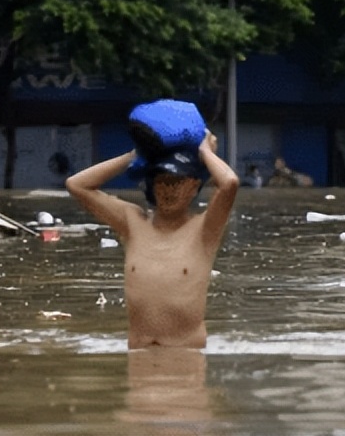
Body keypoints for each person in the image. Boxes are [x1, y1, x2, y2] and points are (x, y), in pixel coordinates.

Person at [65, 130, 238, 349]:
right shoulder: (132, 223)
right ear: (151, 185)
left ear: (194, 186)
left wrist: (204, 151)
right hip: (139, 353)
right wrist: (133, 156)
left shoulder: (204, 229)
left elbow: (229, 183)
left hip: (186, 354)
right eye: (161, 181)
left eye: (177, 181)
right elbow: (76, 184)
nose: (168, 190)